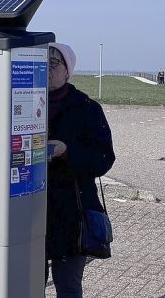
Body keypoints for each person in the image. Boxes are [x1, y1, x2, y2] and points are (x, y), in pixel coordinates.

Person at [46, 42, 115, 298]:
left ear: (67, 71)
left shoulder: (87, 108)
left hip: (71, 211)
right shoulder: (22, 104)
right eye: (40, 63)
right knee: (28, 281)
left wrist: (67, 151)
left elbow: (104, 158)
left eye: (53, 63)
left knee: (68, 286)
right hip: (28, 209)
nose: (47, 69)